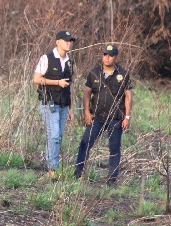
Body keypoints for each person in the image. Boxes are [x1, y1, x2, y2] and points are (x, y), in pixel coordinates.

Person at [74, 44, 132, 186]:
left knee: (114, 148)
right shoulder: (94, 73)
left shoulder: (123, 74)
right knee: (85, 143)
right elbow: (87, 93)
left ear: (115, 57)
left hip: (115, 118)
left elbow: (128, 96)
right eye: (105, 54)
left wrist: (127, 117)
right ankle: (78, 173)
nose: (107, 58)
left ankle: (112, 179)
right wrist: (86, 111)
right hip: (97, 116)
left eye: (110, 55)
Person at [33, 30, 75, 177]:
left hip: (64, 104)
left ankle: (52, 166)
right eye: (66, 40)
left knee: (58, 136)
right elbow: (37, 79)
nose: (69, 43)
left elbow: (69, 86)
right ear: (58, 42)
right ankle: (52, 169)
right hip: (48, 102)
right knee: (54, 136)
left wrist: (71, 108)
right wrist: (57, 82)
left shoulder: (69, 61)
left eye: (70, 40)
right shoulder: (47, 58)